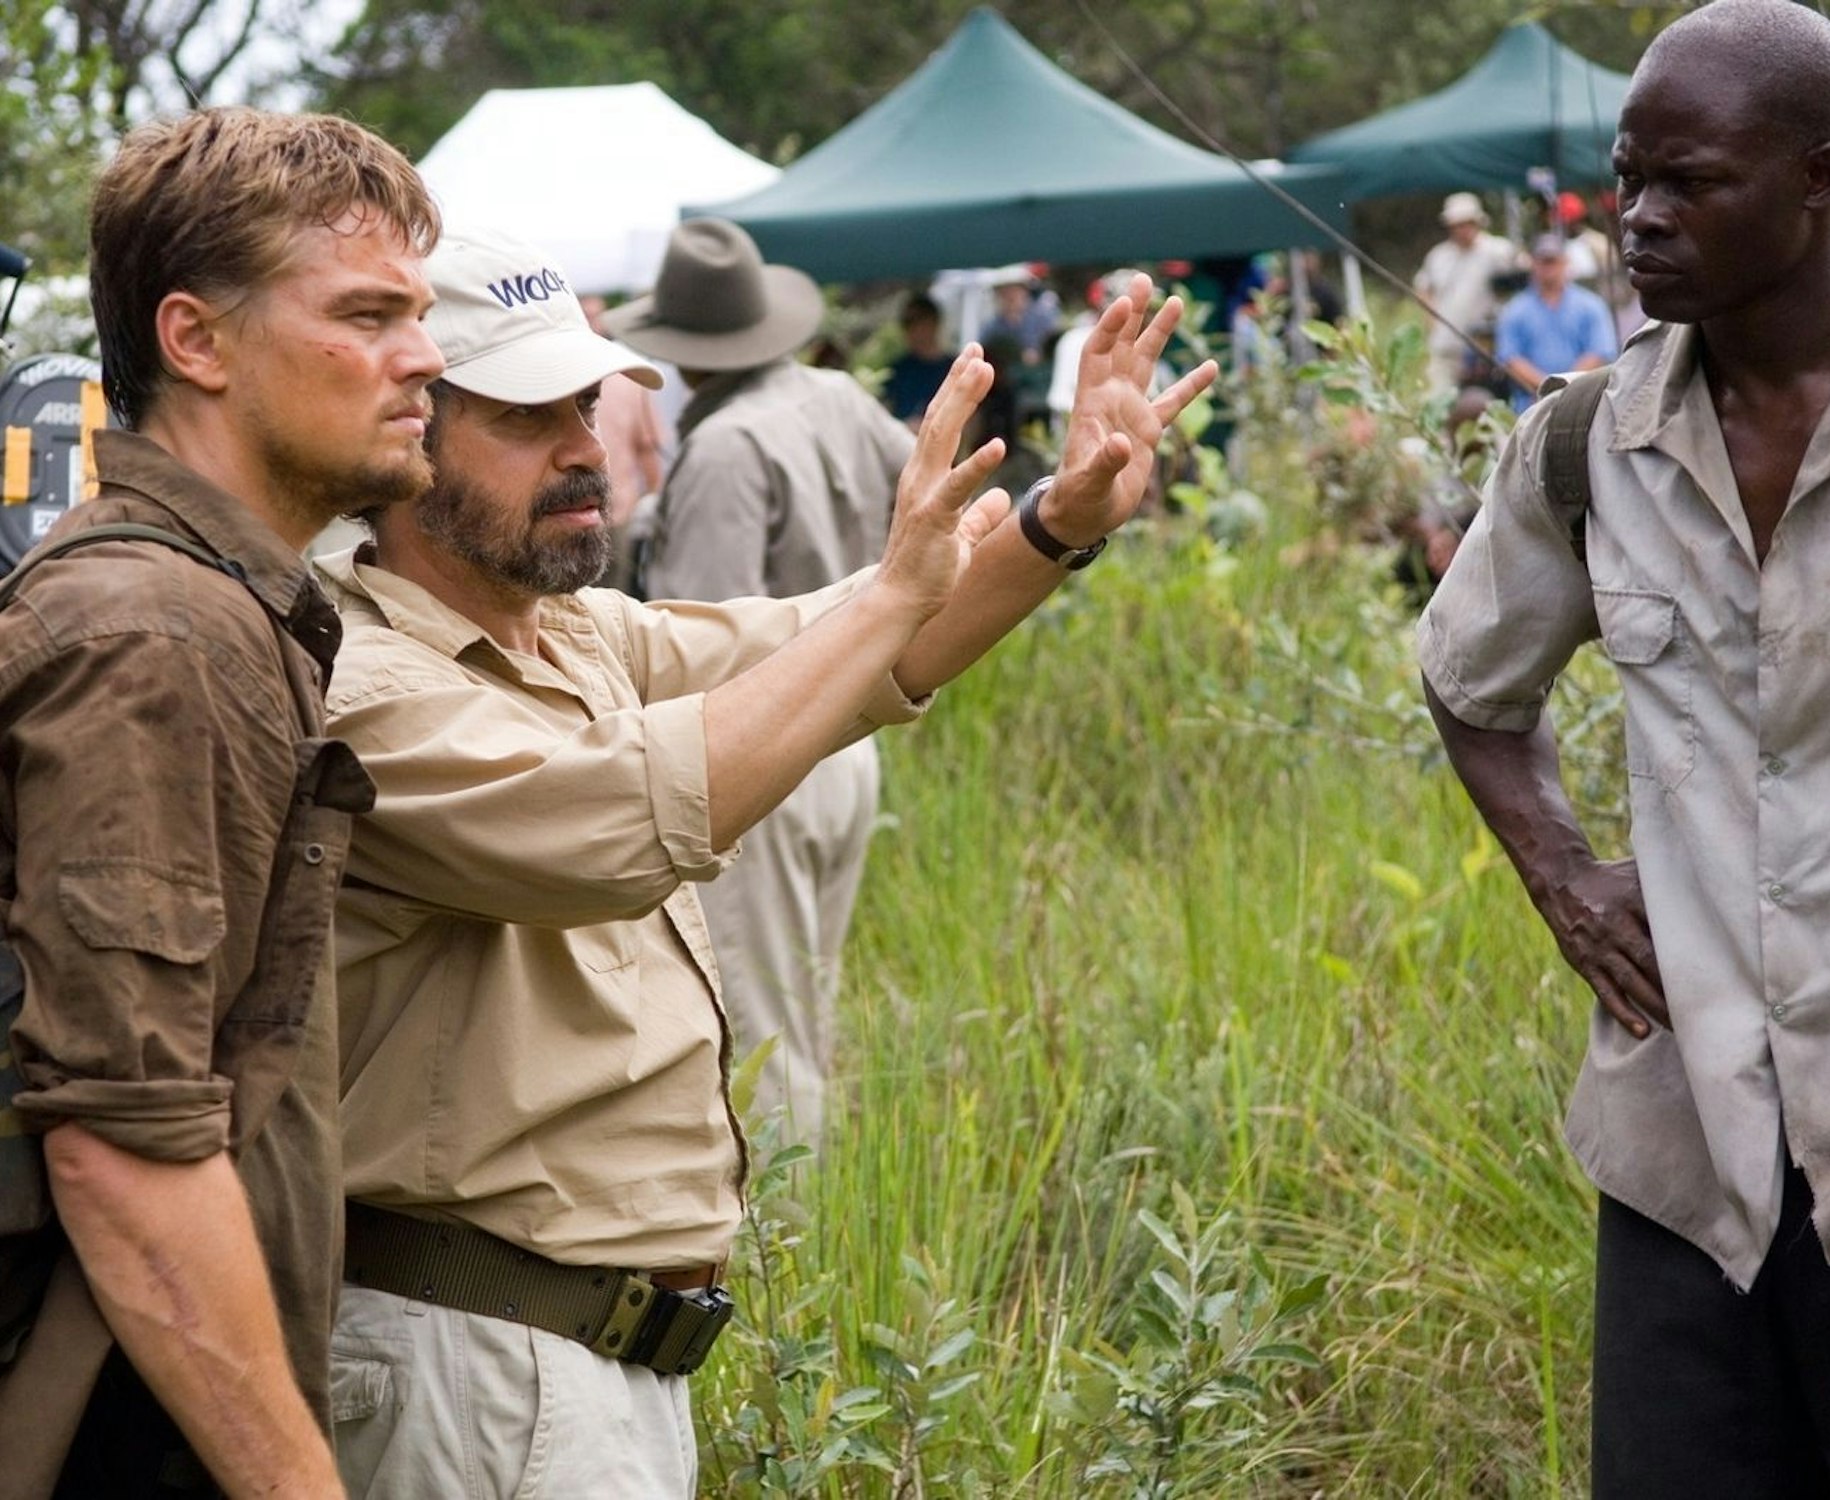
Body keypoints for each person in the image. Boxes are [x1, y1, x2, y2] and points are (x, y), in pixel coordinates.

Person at [319, 225, 1213, 1496]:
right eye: (525, 416)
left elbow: (840, 638)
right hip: (473, 1362)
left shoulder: (568, 633)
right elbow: (620, 823)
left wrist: (1056, 522)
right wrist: (894, 597)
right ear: (407, 434)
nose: (584, 447)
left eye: (586, 405)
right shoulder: (361, 682)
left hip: (578, 1358)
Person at [1417, 2, 1830, 1493]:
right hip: (1687, 1168)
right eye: (1628, 179)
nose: (1638, 220)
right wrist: (1563, 877)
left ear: (1818, 179)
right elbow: (1468, 680)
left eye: (1689, 183)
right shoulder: (1586, 444)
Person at [0, 108, 442, 1497]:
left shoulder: (224, 608)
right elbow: (124, 1151)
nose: (425, 358)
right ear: (196, 341)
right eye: (366, 314)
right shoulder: (157, 632)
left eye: (419, 314)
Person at [616, 218, 916, 1141]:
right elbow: (926, 511)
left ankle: (787, 1228)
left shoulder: (726, 447)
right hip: (852, 736)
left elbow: (708, 642)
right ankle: (821, 1212)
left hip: (768, 751)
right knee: (803, 1006)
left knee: (757, 1031)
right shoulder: (839, 397)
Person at [578, 293, 666, 593]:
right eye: (586, 316)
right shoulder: (554, 380)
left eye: (597, 316)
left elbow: (647, 448)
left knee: (618, 599)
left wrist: (654, 503)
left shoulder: (629, 379)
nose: (593, 324)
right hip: (570, 512)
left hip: (619, 514)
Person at [1492, 234, 1617, 412]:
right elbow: (1509, 358)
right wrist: (1546, 387)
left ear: (1565, 262)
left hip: (1583, 402)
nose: (1548, 267)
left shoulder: (1591, 305)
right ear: (1533, 264)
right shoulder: (1514, 310)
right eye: (1543, 262)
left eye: (1553, 261)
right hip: (1530, 404)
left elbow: (1600, 352)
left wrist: (1566, 387)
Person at [1414, 192, 1521, 395]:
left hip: (1485, 349)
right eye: (1458, 224)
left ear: (1478, 223)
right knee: (1439, 400)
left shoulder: (1497, 250)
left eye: (1468, 223)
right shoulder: (1439, 256)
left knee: (1487, 403)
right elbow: (1423, 289)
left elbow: (1523, 273)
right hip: (1446, 346)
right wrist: (1432, 322)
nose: (1464, 230)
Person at [882, 293, 957, 427]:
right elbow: (883, 415)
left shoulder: (955, 368)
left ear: (934, 322)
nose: (911, 330)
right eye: (906, 323)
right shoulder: (897, 370)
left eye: (916, 321)